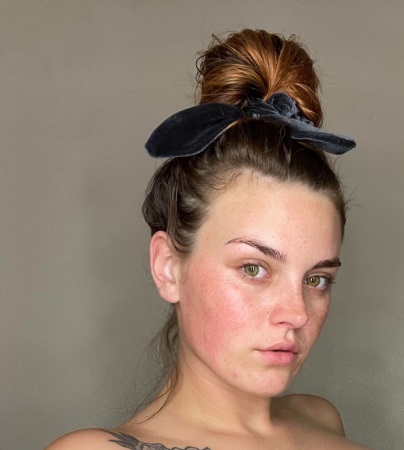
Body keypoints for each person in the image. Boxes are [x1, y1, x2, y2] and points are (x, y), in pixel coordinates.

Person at [46, 29, 370, 450]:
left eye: (316, 279)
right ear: (168, 267)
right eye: (253, 268)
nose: (297, 314)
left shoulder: (321, 417)